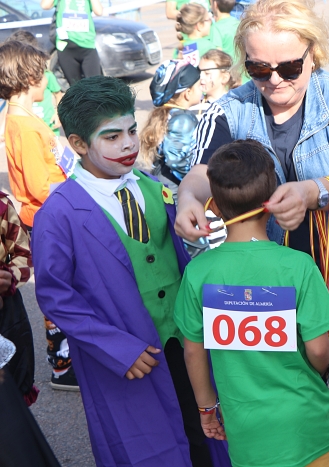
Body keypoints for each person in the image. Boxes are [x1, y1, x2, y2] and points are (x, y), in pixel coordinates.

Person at [178, 1, 329, 466]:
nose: (274, 81)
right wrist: (188, 200)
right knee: (287, 372)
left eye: (288, 66)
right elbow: (200, 173)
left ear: (314, 53)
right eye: (259, 68)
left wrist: (313, 191)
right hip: (276, 269)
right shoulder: (227, 109)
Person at [32, 76, 225, 467]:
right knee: (148, 445)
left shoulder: (156, 189)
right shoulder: (59, 213)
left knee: (205, 433)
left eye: (132, 130)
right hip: (128, 355)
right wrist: (114, 347)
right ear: (79, 144)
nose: (128, 143)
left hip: (186, 340)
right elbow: (55, 295)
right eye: (111, 136)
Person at [175, 139, 329, 467]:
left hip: (247, 436)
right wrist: (319, 371)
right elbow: (319, 349)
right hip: (307, 427)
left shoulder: (198, 273)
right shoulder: (298, 267)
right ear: (272, 198)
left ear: (214, 205)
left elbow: (193, 351)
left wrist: (207, 408)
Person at [0, 40, 78, 391]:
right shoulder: (24, 126)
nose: (47, 76)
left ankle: (66, 359)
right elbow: (38, 184)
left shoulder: (25, 119)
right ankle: (62, 366)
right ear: (28, 75)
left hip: (48, 214)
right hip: (46, 217)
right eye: (43, 70)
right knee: (59, 289)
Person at [142, 60, 203, 201]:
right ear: (187, 93)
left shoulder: (169, 114)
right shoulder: (183, 119)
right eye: (199, 86)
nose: (202, 89)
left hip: (164, 185)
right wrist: (199, 182)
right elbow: (177, 160)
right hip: (176, 192)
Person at [0, 192, 36, 406]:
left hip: (5, 313)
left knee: (9, 399)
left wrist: (9, 276)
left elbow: (24, 253)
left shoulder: (2, 206)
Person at [6, 31, 63, 137]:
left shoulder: (18, 120)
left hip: (49, 126)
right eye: (40, 73)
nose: (45, 79)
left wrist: (57, 113)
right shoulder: (28, 130)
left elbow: (58, 95)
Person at [40, 0, 103, 86]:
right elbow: (45, 5)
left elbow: (99, 12)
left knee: (96, 85)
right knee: (75, 87)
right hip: (66, 45)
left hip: (87, 45)